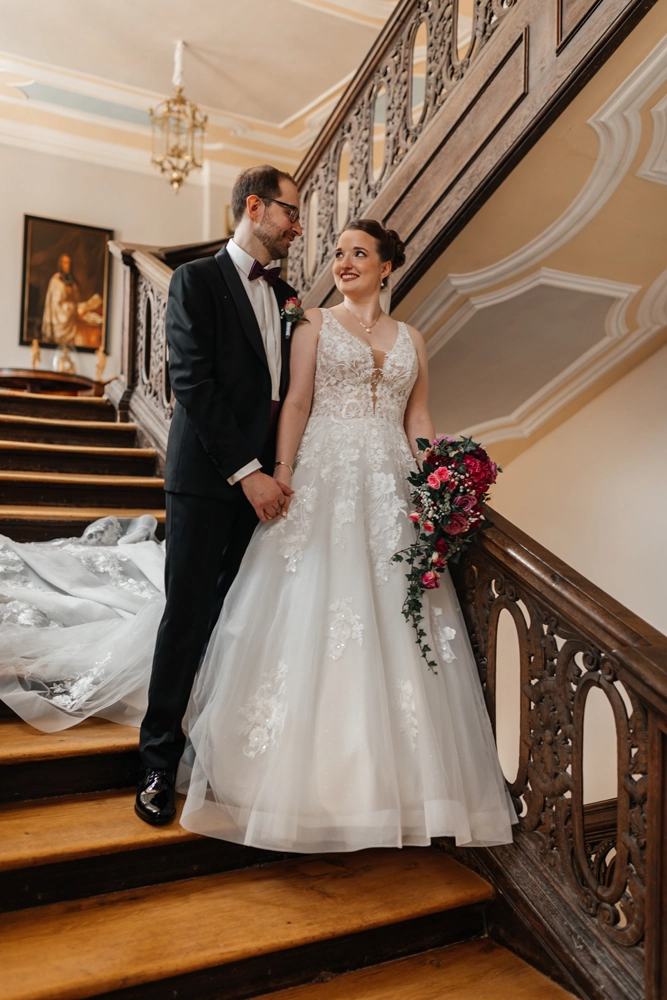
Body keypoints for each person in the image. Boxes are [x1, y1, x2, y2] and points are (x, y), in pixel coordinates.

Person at [0, 216, 516, 851]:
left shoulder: (412, 336)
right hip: (321, 476)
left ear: (387, 266)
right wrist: (283, 472)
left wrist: (440, 477)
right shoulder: (314, 322)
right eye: (338, 252)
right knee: (304, 603)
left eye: (358, 253)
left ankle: (391, 784)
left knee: (393, 618)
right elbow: (295, 402)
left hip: (391, 490)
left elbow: (419, 415)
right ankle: (210, 758)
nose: (344, 262)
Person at [135, 165, 303, 824]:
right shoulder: (195, 280)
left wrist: (281, 470)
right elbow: (192, 383)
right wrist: (248, 471)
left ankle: (212, 751)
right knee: (187, 617)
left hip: (267, 490)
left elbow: (289, 395)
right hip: (208, 480)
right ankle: (156, 760)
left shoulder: (286, 295)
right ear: (255, 207)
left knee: (239, 623)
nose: (296, 227)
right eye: (290, 212)